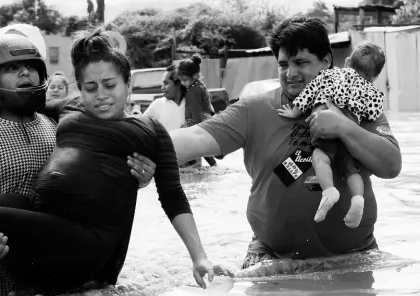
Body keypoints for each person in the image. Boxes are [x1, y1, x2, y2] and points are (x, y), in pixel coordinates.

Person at [0, 27, 225, 296]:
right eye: (90, 87)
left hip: (88, 241)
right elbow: (21, 103)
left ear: (128, 83)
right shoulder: (68, 110)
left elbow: (174, 196)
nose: (101, 95)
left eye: (110, 85)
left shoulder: (148, 131)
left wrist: (199, 257)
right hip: (45, 215)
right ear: (80, 88)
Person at [169, 17, 401, 269]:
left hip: (356, 255)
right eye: (283, 65)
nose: (290, 74)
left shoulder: (358, 104)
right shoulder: (254, 109)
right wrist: (140, 142)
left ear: (326, 61)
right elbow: (197, 137)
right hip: (272, 258)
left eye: (301, 63)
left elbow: (391, 166)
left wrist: (344, 128)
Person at [277, 42, 386, 228]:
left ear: (347, 61)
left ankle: (329, 191)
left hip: (325, 127)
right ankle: (358, 199)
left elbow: (309, 92)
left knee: (319, 158)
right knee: (351, 170)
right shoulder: (373, 92)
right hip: (350, 137)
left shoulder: (329, 74)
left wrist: (295, 112)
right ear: (375, 76)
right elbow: (373, 113)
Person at [177, 55, 217, 167]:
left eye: (185, 80)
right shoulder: (199, 85)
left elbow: (196, 110)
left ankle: (193, 164)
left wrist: (196, 127)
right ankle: (212, 165)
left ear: (194, 75)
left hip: (198, 119)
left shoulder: (193, 91)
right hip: (204, 117)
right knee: (200, 147)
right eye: (181, 80)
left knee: (185, 140)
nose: (183, 83)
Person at [143, 64, 186, 133]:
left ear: (178, 83)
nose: (162, 88)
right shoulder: (157, 104)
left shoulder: (194, 102)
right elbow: (141, 126)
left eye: (166, 83)